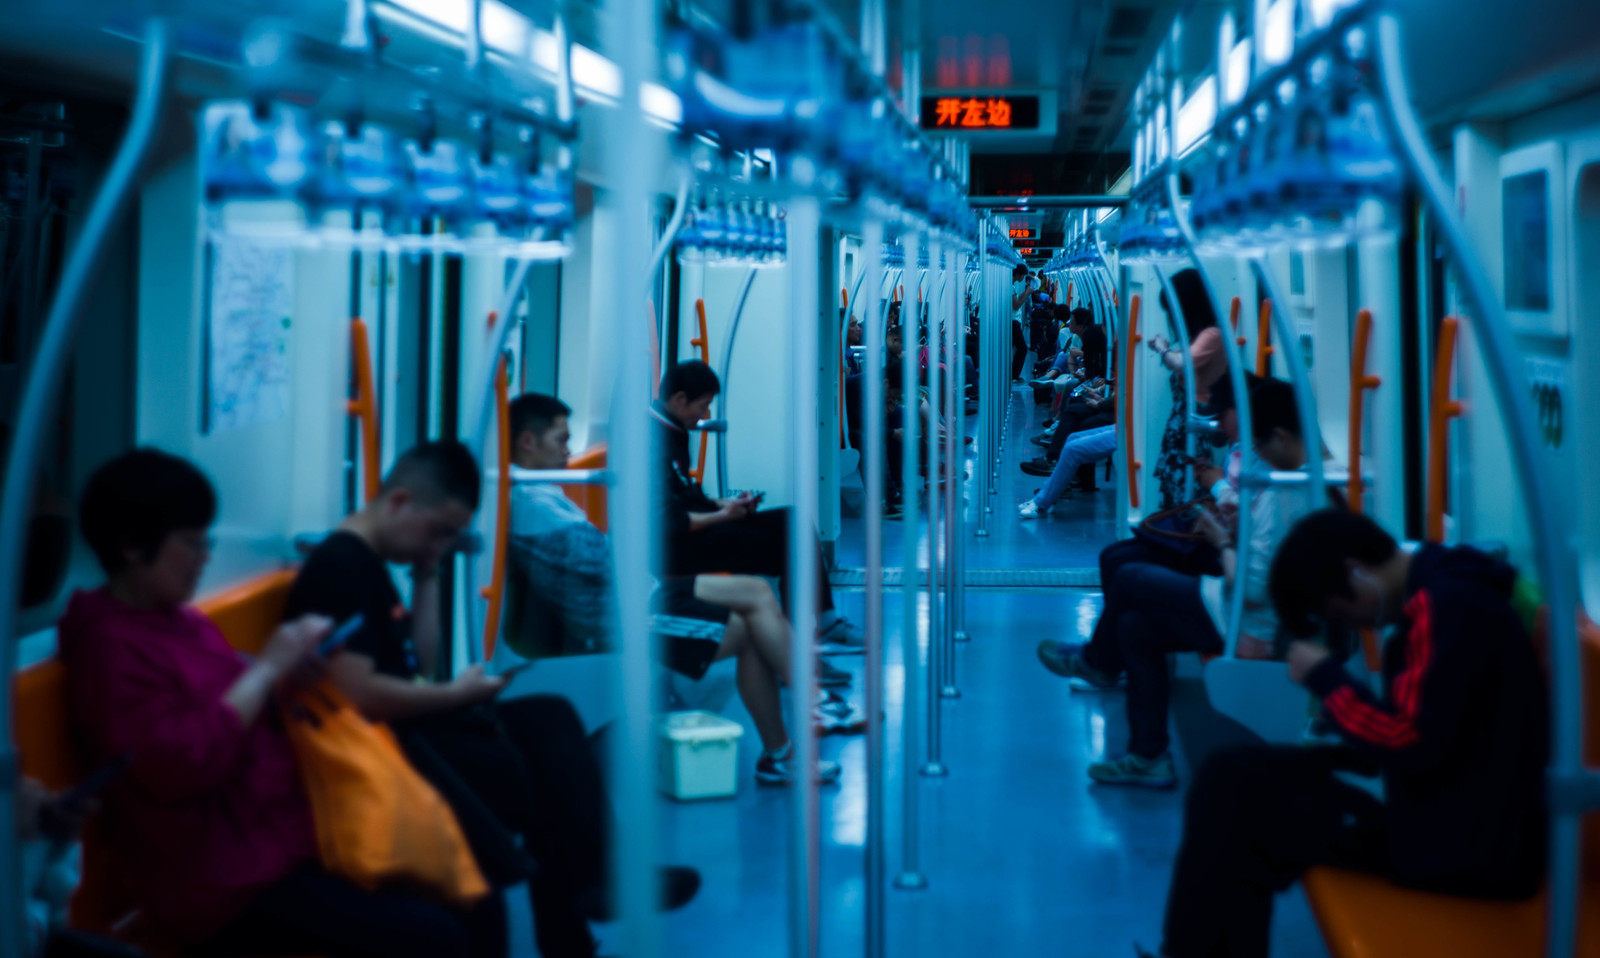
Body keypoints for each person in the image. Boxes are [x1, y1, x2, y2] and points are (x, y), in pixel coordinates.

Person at [60, 449, 504, 958]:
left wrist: (287, 677)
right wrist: (269, 668)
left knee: (474, 896)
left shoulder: (185, 624)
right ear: (133, 547)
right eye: (190, 542)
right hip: (222, 883)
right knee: (435, 937)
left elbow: (241, 705)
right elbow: (180, 763)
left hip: (280, 836)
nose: (205, 556)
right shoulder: (108, 648)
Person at [283, 441, 698, 958]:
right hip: (380, 748)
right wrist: (456, 695)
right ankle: (591, 896)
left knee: (550, 717)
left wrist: (429, 570)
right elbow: (359, 695)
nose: (439, 543)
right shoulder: (340, 568)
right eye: (437, 531)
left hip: (405, 730)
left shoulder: (373, 562)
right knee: (538, 780)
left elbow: (423, 660)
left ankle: (602, 880)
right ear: (398, 503)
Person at [1142, 510, 1548, 958]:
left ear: (1357, 572)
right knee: (1231, 775)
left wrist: (1327, 679)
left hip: (1462, 842)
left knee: (1239, 803)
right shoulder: (1448, 592)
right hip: (1447, 802)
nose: (1358, 626)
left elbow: (1408, 741)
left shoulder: (1446, 608)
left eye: (1342, 611)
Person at [504, 391, 848, 786]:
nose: (568, 450)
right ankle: (794, 735)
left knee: (755, 591)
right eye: (561, 440)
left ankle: (808, 711)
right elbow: (601, 567)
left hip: (638, 593)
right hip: (624, 615)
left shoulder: (545, 492)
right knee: (752, 629)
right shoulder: (532, 504)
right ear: (528, 442)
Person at [1041, 378, 1314, 787]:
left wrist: (1221, 540)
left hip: (1246, 622)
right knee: (1134, 628)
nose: (1252, 451)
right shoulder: (1294, 480)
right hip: (1236, 607)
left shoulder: (1285, 490)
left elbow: (1252, 589)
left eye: (1258, 442)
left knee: (1131, 574)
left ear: (1279, 435)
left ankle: (1097, 662)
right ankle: (1148, 756)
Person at [652, 361, 865, 650]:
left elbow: (686, 497)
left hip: (694, 529)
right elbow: (668, 520)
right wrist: (724, 515)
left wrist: (727, 504)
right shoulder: (651, 443)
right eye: (702, 406)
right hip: (675, 547)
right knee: (780, 546)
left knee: (793, 520)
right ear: (679, 400)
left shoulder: (674, 432)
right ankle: (793, 642)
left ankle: (822, 621)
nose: (704, 415)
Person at [1150, 269, 1228, 510]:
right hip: (1182, 426)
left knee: (1189, 493)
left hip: (1194, 424)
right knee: (1175, 490)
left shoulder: (1212, 335)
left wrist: (1163, 349)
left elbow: (1179, 363)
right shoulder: (1196, 339)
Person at [1010, 265, 1035, 382]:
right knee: (1023, 348)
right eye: (1023, 276)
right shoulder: (1010, 286)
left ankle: (1013, 374)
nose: (1023, 278)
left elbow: (1016, 300)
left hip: (1014, 322)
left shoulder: (1012, 286)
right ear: (1018, 274)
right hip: (1013, 322)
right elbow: (1016, 305)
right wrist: (1027, 292)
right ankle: (1014, 375)